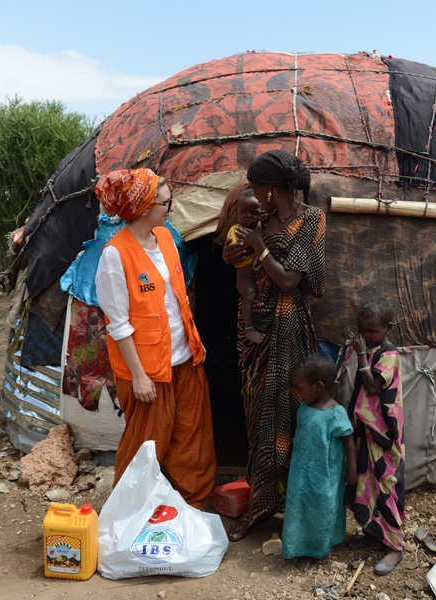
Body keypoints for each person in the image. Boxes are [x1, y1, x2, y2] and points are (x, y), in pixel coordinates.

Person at [94, 168, 216, 509]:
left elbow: (179, 298)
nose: (171, 208)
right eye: (166, 201)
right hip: (149, 371)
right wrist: (138, 376)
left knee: (192, 439)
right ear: (145, 207)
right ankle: (128, 514)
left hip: (184, 358)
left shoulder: (166, 239)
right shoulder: (115, 256)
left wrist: (194, 340)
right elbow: (118, 325)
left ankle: (192, 509)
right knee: (145, 446)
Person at [222, 149, 326, 541]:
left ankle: (293, 508)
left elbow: (289, 281)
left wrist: (259, 248)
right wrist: (234, 255)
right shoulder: (261, 219)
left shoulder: (310, 219)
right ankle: (260, 504)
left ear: (269, 188)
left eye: (256, 187)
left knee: (286, 415)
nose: (253, 194)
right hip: (253, 332)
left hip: (287, 329)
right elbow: (245, 264)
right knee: (255, 419)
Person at [345, 298, 406, 575]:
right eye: (362, 330)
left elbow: (371, 388)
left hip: (383, 435)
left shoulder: (389, 355)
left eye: (372, 331)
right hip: (365, 432)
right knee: (366, 482)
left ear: (388, 327)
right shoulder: (370, 349)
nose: (366, 336)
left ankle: (395, 547)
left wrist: (359, 355)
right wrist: (360, 352)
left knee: (386, 485)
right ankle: (373, 530)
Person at [282, 353, 355, 572]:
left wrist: (352, 470)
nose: (299, 393)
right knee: (299, 507)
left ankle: (321, 548)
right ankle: (301, 546)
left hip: (325, 475)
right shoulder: (304, 407)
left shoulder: (336, 414)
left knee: (324, 509)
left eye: (301, 388)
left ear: (319, 387)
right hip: (301, 473)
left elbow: (349, 441)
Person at [225, 188, 264, 343]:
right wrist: (254, 242)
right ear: (237, 213)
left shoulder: (261, 229)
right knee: (249, 293)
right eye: (243, 212)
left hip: (261, 275)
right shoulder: (235, 231)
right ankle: (249, 329)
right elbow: (239, 251)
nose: (248, 216)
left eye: (254, 212)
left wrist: (257, 236)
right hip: (245, 275)